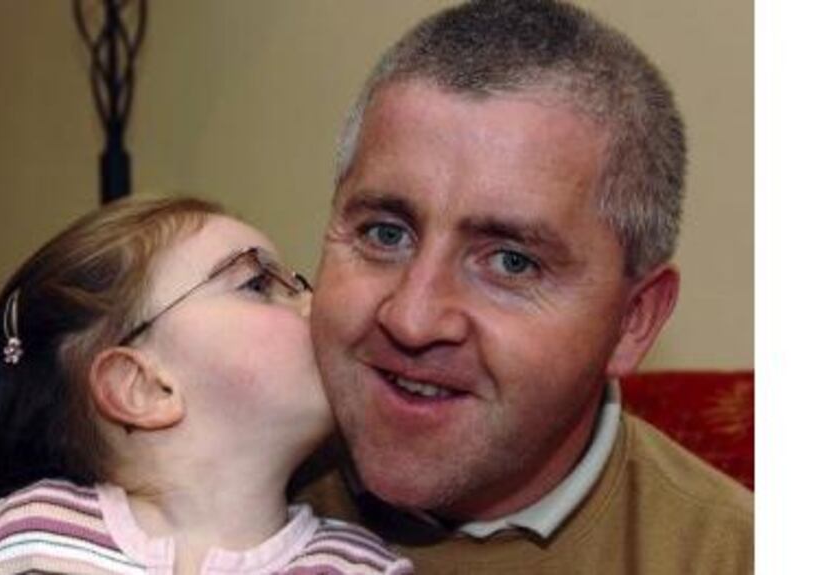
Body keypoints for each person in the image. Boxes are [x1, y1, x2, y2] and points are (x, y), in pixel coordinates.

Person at [302, 0, 753, 572]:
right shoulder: (193, 461)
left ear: (633, 320)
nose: (412, 319)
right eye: (386, 233)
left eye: (512, 263)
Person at [0, 197, 413, 574]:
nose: (318, 304)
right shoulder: (30, 538)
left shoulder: (363, 568)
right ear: (143, 387)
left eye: (296, 283)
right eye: (257, 284)